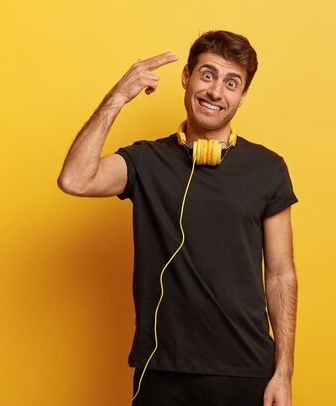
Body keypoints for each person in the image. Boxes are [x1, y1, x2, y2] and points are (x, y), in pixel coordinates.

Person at [58, 30, 298, 406]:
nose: (216, 92)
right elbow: (75, 179)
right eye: (208, 75)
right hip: (162, 368)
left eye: (231, 83)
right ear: (186, 77)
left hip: (246, 369)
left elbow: (281, 273)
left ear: (243, 95)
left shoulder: (268, 169)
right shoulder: (145, 161)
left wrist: (283, 371)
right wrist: (118, 97)